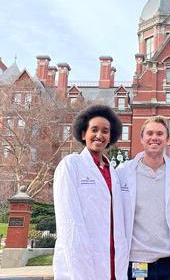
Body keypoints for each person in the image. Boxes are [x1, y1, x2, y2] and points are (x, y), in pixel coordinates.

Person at [53, 104, 128, 280]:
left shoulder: (113, 173)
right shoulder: (71, 165)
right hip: (80, 263)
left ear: (111, 136)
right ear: (82, 133)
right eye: (94, 129)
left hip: (113, 262)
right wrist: (81, 269)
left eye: (105, 131)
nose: (100, 136)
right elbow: (69, 222)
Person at [116, 116, 170, 280]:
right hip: (137, 261)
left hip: (168, 261)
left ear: (167, 139)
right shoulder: (123, 172)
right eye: (150, 133)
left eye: (160, 134)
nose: (154, 137)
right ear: (142, 138)